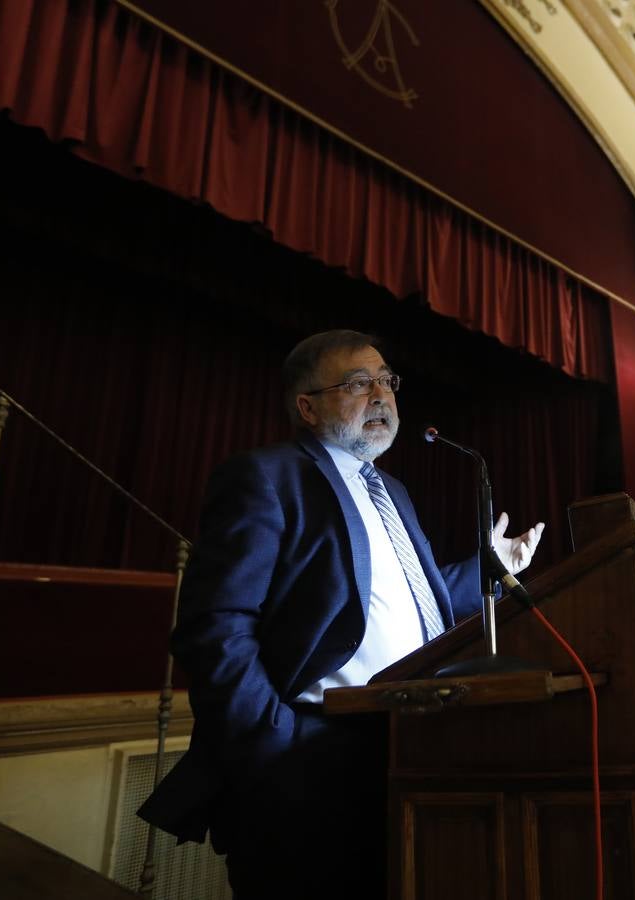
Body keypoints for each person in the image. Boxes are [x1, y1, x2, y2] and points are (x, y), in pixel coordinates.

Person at [137, 329, 545, 898]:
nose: (381, 396)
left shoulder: (393, 491)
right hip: (310, 756)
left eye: (387, 380)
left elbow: (419, 611)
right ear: (307, 407)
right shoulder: (267, 477)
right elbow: (216, 627)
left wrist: (490, 569)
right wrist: (275, 742)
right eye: (358, 383)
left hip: (410, 743)